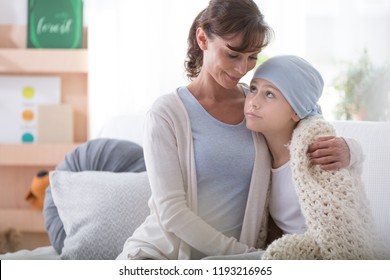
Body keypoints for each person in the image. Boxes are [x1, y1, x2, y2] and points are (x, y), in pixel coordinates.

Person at [115, 0, 362, 260]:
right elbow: (171, 212)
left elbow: (308, 121)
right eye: (232, 54)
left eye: (252, 57)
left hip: (234, 262)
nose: (242, 69)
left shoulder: (255, 106)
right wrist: (245, 255)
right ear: (202, 38)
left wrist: (351, 150)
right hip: (161, 254)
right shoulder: (166, 113)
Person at [243, 55, 375, 259]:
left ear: (296, 111)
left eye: (269, 94)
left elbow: (343, 234)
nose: (254, 102)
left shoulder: (317, 153)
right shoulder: (259, 152)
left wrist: (352, 149)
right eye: (253, 89)